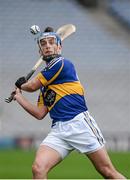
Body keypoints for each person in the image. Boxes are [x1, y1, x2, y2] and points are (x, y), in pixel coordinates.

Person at [13, 26, 125, 179]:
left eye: (52, 42)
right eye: (43, 44)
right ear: (40, 52)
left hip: (80, 124)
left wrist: (21, 85)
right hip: (59, 130)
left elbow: (31, 86)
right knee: (38, 169)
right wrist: (19, 97)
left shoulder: (61, 63)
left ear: (59, 47)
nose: (47, 46)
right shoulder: (45, 86)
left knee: (108, 172)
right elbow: (39, 114)